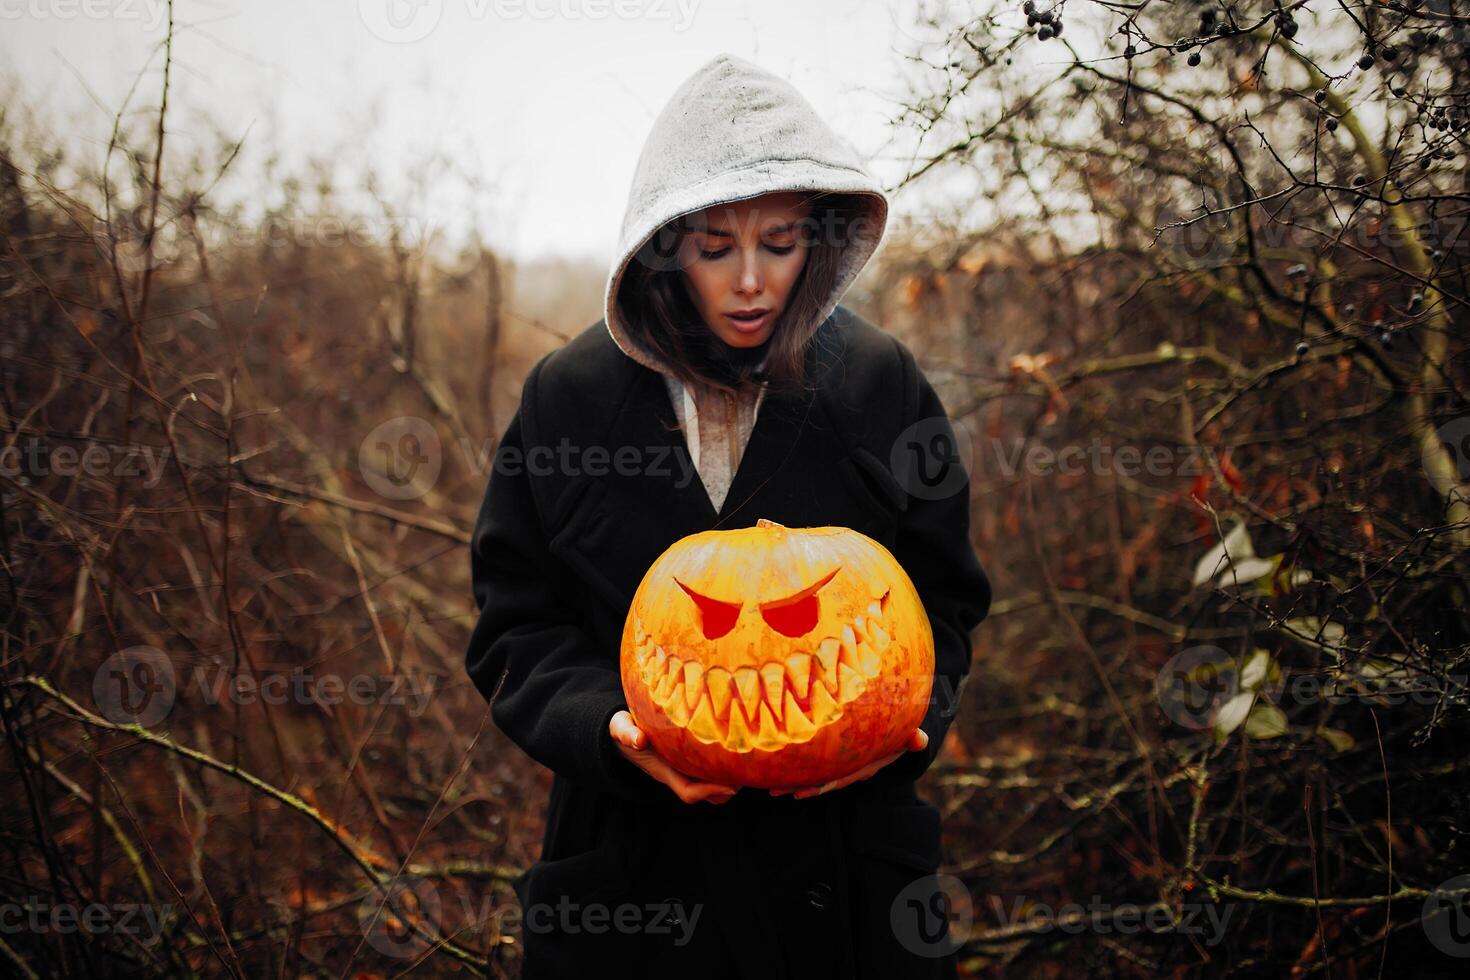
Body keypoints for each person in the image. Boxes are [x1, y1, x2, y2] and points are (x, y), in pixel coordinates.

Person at [466, 53, 992, 979]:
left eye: (780, 243)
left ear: (818, 239)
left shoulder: (878, 382)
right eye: (716, 249)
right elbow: (515, 625)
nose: (751, 281)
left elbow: (946, 601)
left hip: (844, 875)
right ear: (667, 248)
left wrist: (902, 731)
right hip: (631, 877)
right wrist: (612, 731)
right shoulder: (571, 398)